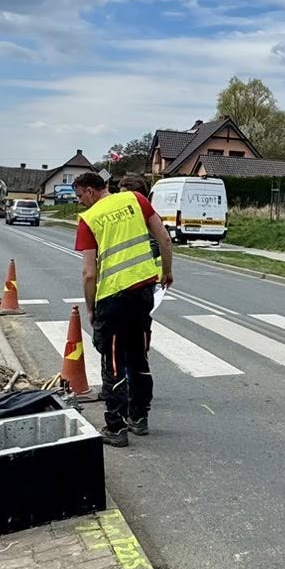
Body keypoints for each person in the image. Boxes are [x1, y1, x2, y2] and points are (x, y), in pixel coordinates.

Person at [73, 170, 173, 446]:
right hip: (143, 292)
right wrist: (167, 272)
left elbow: (89, 273)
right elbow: (164, 239)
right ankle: (139, 418)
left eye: (79, 195)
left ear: (90, 191)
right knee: (139, 357)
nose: (79, 201)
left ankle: (116, 428)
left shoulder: (89, 219)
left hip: (112, 299)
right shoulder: (136, 199)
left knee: (114, 363)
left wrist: (91, 308)